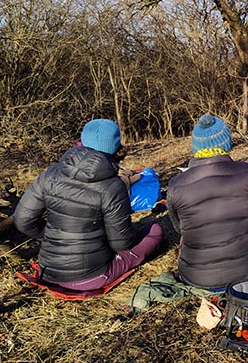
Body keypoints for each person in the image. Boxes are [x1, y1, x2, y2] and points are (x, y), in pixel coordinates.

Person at [13, 119, 163, 290]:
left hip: (48, 271)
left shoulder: (51, 173)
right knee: (155, 231)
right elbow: (121, 244)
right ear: (115, 148)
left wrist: (52, 237)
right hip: (90, 277)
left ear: (82, 141)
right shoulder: (113, 186)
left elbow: (23, 220)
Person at [167, 113, 248, 289]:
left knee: (187, 232)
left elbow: (178, 227)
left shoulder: (175, 185)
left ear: (195, 147)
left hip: (194, 277)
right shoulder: (245, 171)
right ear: (226, 142)